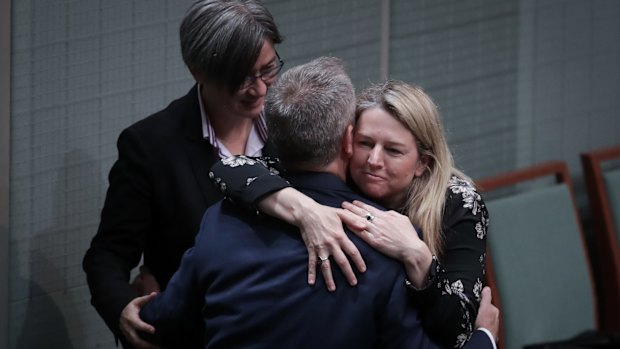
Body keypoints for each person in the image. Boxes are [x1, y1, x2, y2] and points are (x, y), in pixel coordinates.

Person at [139, 56, 499, 349]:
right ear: (346, 141)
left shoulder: (456, 202)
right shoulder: (333, 189)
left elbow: (457, 332)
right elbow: (229, 167)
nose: (373, 160)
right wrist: (304, 209)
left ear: (423, 162)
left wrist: (418, 256)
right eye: (365, 143)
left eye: (392, 150)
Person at [82, 1, 283, 348]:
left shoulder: (290, 125)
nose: (261, 89)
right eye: (242, 78)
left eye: (268, 70)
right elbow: (108, 255)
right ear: (198, 70)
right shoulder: (150, 145)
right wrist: (122, 309)